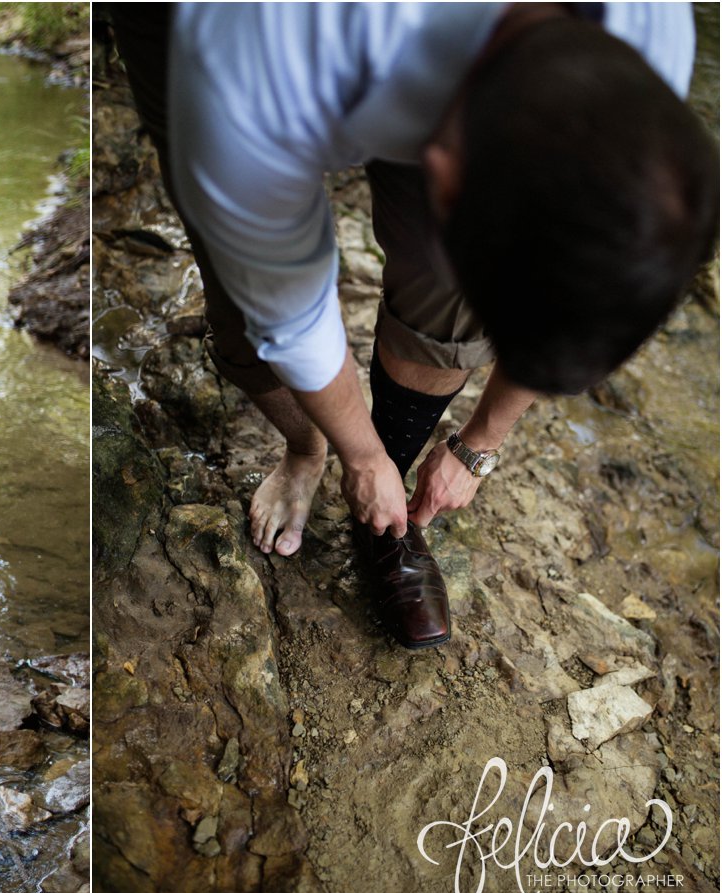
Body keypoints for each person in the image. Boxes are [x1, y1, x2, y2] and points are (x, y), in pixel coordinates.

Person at [111, 2, 717, 648]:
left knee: (448, 302)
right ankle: (312, 453)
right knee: (242, 300)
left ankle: (383, 499)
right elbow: (286, 315)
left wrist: (480, 443)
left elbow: (573, 298)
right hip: (200, 34)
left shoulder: (646, 49)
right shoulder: (247, 68)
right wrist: (358, 454)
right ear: (442, 177)